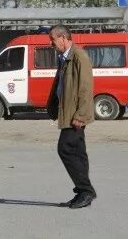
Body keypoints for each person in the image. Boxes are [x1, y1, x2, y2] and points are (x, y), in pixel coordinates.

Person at [46, 25, 96, 209]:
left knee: (65, 148)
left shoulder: (79, 56)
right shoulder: (64, 57)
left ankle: (86, 190)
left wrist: (80, 115)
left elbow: (85, 87)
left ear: (63, 38)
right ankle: (83, 193)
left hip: (76, 114)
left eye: (52, 39)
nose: (50, 43)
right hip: (68, 111)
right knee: (78, 152)